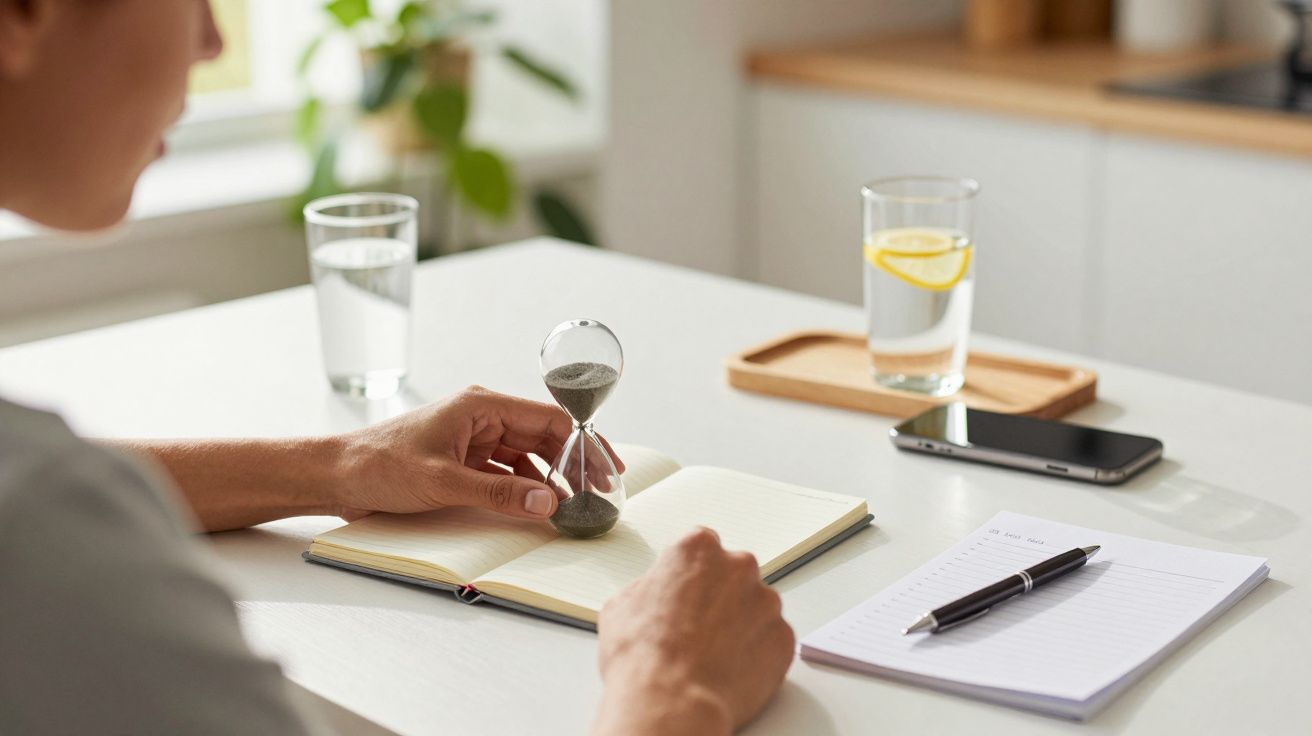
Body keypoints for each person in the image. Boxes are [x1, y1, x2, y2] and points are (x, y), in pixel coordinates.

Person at [0, 1, 794, 734]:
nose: (211, 40)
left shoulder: (44, 496)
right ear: (20, 15)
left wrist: (340, 465)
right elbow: (50, 508)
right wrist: (671, 688)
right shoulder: (46, 531)